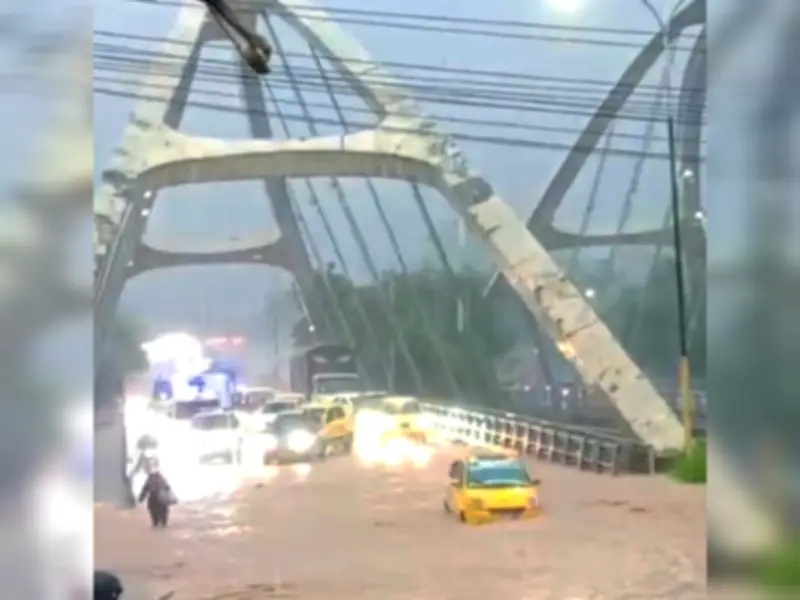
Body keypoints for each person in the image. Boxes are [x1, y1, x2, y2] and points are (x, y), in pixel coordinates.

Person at [137, 463, 176, 528]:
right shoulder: (162, 479)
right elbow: (168, 488)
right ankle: (162, 523)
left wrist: (141, 499)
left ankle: (156, 523)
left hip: (154, 497)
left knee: (154, 513)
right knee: (163, 513)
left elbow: (145, 489)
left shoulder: (150, 479)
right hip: (161, 499)